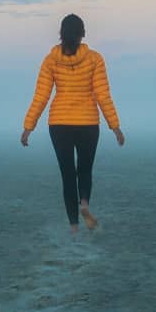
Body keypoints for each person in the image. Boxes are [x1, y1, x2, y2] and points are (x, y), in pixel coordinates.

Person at [21, 13, 125, 237]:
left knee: (67, 174)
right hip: (87, 123)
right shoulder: (95, 59)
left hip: (59, 124)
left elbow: (41, 96)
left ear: (61, 34)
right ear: (83, 34)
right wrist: (115, 126)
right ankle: (85, 203)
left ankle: (74, 226)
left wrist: (28, 127)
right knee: (85, 169)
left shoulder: (50, 60)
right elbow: (102, 94)